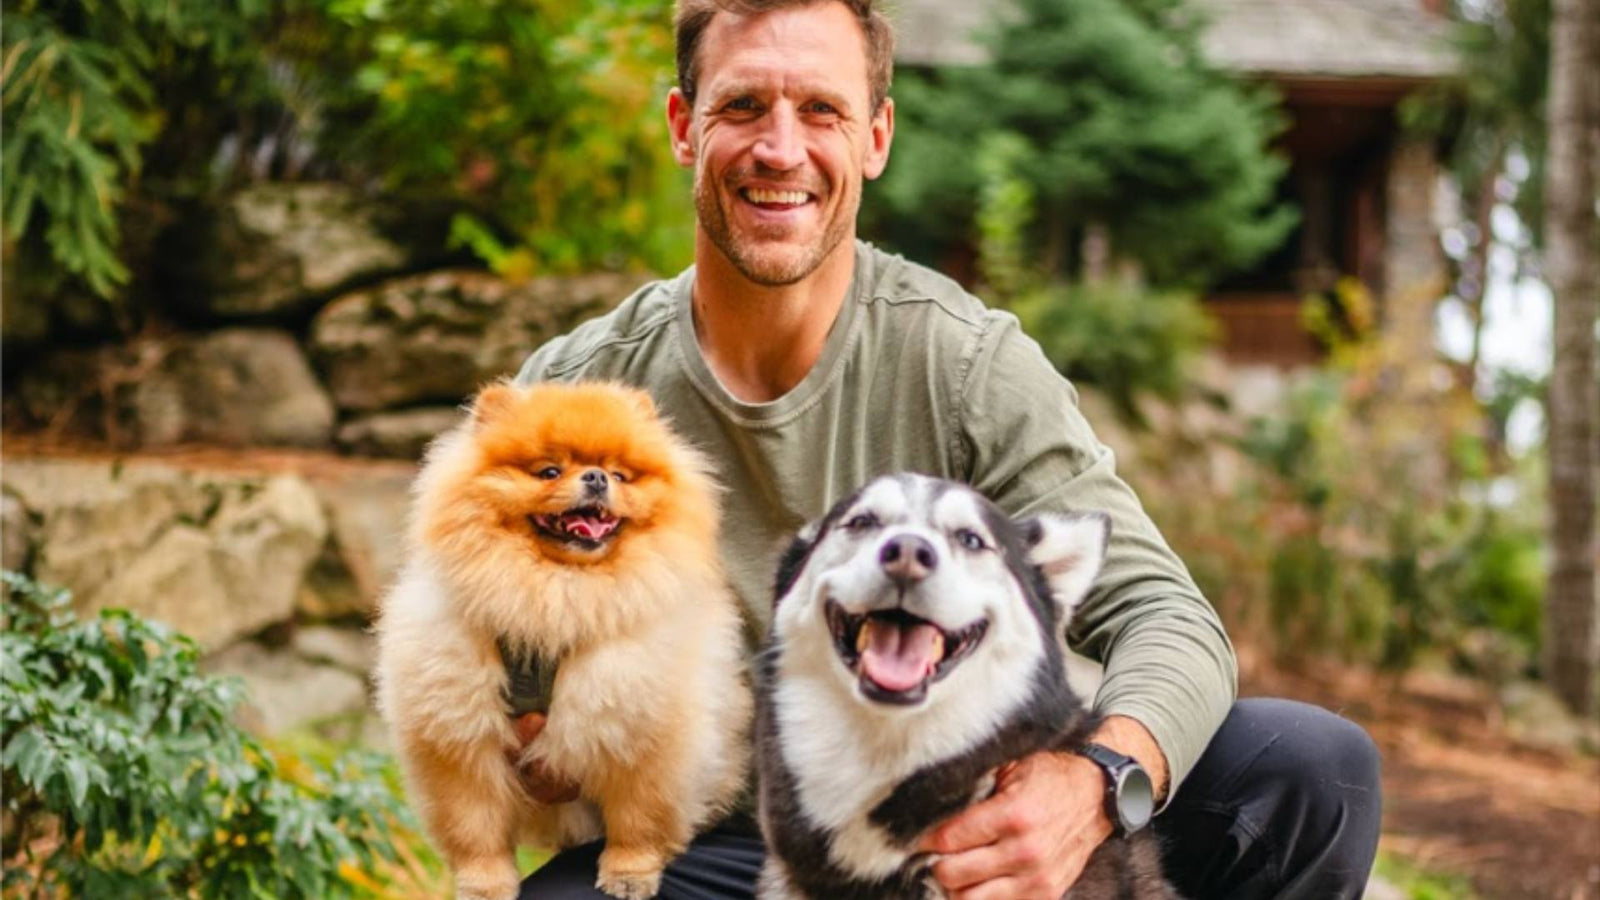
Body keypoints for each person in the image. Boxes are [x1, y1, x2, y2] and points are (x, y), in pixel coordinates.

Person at [510, 1, 1382, 897]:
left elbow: (1169, 618)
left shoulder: (966, 363)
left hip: (961, 821)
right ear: (683, 127)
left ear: (876, 137)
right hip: (721, 841)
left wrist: (1089, 784)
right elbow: (486, 664)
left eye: (822, 110)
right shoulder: (578, 392)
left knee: (1308, 769)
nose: (780, 149)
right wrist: (533, 734)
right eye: (741, 108)